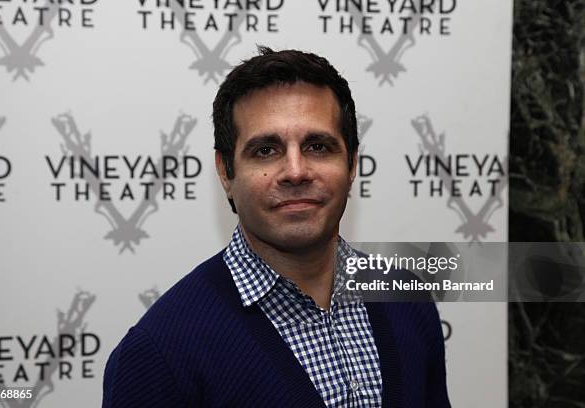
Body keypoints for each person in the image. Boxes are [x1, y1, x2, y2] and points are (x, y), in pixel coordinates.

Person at [102, 47, 451, 408]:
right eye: (266, 151)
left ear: (353, 164)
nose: (296, 172)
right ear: (225, 172)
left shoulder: (405, 298)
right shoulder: (158, 353)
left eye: (318, 146)